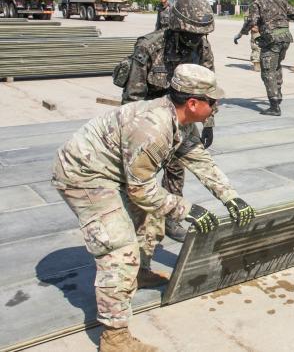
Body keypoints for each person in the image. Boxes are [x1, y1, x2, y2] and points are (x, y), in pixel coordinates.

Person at [53, 64, 256, 352]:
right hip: (84, 175)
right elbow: (141, 189)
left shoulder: (182, 121)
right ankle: (115, 337)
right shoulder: (152, 127)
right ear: (193, 103)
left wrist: (230, 197)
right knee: (118, 248)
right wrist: (187, 209)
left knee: (151, 217)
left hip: (119, 172)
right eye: (212, 101)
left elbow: (198, 159)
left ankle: (140, 272)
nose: (217, 105)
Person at [117, 0, 217, 243]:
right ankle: (138, 226)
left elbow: (209, 89)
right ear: (177, 26)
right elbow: (132, 97)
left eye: (200, 35)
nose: (196, 40)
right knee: (141, 177)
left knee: (176, 169)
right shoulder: (149, 47)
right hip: (148, 125)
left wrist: (208, 122)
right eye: (191, 34)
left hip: (181, 121)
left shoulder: (202, 47)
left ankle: (171, 220)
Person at [233, 0, 294, 116]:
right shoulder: (280, 0)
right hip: (285, 39)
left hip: (272, 40)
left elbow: (251, 21)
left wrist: (240, 33)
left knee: (267, 72)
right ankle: (278, 94)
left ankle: (274, 107)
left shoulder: (257, 3)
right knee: (276, 66)